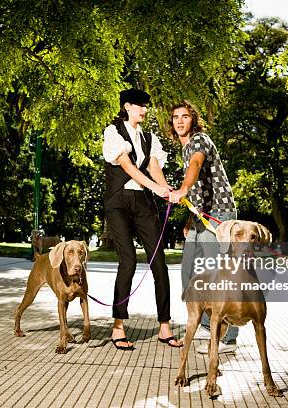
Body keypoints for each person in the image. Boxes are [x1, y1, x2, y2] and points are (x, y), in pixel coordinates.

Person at [103, 89, 182, 350]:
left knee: (159, 262)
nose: (145, 110)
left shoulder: (149, 138)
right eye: (140, 106)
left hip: (143, 205)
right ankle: (118, 326)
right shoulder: (113, 132)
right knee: (128, 260)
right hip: (119, 202)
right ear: (127, 106)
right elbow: (127, 166)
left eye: (146, 106)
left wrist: (167, 190)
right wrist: (155, 188)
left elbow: (154, 167)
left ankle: (164, 327)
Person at [167, 100, 239, 354]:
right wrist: (189, 219)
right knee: (189, 274)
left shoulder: (199, 141)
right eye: (175, 117)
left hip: (218, 215)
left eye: (184, 116)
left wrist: (182, 189)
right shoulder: (184, 149)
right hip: (201, 217)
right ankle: (211, 327)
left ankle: (227, 338)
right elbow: (198, 189)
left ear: (193, 120)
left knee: (216, 276)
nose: (179, 121)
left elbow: (196, 167)